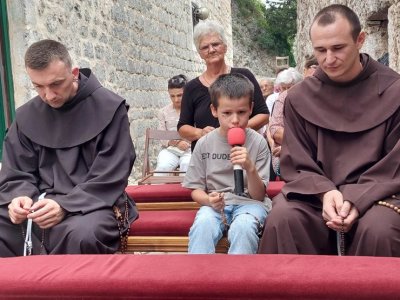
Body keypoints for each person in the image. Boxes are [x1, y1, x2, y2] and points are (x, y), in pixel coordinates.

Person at [259, 4, 400, 256]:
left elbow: (395, 164)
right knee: (283, 220)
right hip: (315, 195)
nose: (328, 59)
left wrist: (357, 197)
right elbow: (297, 161)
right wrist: (325, 192)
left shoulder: (395, 92)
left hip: (381, 195)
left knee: (380, 229)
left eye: (338, 48)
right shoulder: (300, 98)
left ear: (360, 40)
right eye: (320, 50)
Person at [0, 39, 138, 256]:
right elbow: (16, 171)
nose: (48, 95)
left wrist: (65, 206)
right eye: (38, 86)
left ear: (73, 73)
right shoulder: (26, 116)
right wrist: (19, 197)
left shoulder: (109, 108)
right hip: (38, 207)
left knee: (84, 234)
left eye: (56, 84)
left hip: (90, 205)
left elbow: (111, 173)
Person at [183, 73, 271, 254]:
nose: (235, 120)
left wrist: (249, 167)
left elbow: (259, 195)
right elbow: (195, 189)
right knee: (203, 225)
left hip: (250, 204)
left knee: (244, 227)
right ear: (214, 111)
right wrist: (209, 200)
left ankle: (238, 280)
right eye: (227, 113)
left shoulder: (258, 143)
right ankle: (198, 278)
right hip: (216, 206)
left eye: (241, 112)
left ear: (251, 108)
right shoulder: (205, 143)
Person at [178, 20, 269, 151]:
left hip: (243, 149)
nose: (211, 50)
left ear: (225, 47)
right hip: (208, 154)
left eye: (215, 44)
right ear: (200, 53)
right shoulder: (191, 87)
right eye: (205, 47)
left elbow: (263, 115)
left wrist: (237, 130)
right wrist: (200, 133)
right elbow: (182, 127)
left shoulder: (243, 76)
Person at [154, 75, 191, 175]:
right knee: (162, 167)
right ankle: (158, 190)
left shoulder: (194, 110)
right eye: (172, 96)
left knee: (187, 166)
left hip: (190, 149)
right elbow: (162, 136)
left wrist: (187, 142)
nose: (176, 100)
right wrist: (177, 143)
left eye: (179, 95)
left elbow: (199, 132)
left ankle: (186, 191)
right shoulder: (163, 112)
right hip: (170, 150)